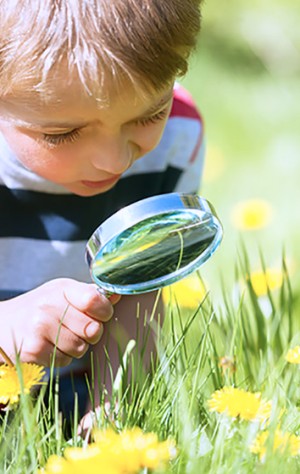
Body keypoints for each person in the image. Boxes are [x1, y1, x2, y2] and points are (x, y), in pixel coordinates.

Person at [0, 0, 205, 422]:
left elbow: (141, 282)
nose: (113, 161)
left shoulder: (178, 135)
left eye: (151, 114)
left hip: (71, 392)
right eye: (62, 133)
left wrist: (115, 404)